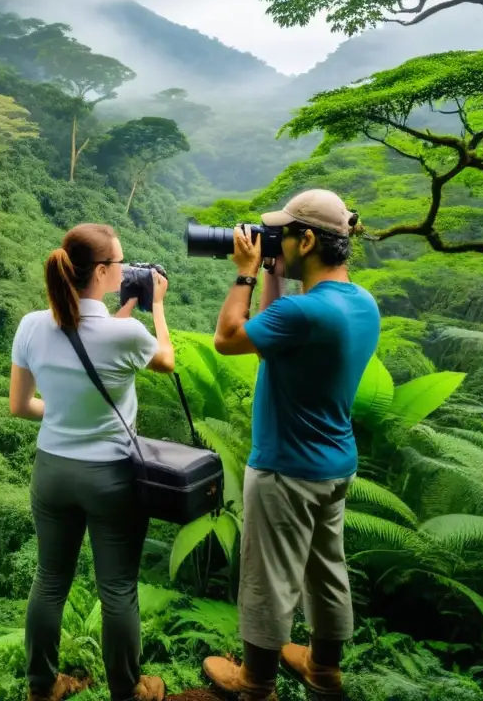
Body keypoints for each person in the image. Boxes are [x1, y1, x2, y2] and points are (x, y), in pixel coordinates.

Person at [203, 189, 380, 701]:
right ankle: (324, 669)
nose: (273, 239)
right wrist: (274, 274)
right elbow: (274, 339)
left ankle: (255, 682)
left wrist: (246, 271)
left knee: (268, 578)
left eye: (283, 232)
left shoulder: (305, 314)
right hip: (334, 466)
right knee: (327, 570)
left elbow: (230, 338)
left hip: (285, 470)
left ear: (307, 239)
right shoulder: (359, 303)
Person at [9, 223, 176, 701]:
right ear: (102, 271)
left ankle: (41, 686)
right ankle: (128, 691)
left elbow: (20, 406)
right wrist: (157, 304)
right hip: (111, 478)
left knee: (49, 581)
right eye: (121, 264)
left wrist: (64, 412)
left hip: (53, 471)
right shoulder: (127, 335)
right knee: (117, 589)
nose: (127, 270)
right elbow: (164, 358)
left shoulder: (31, 325)